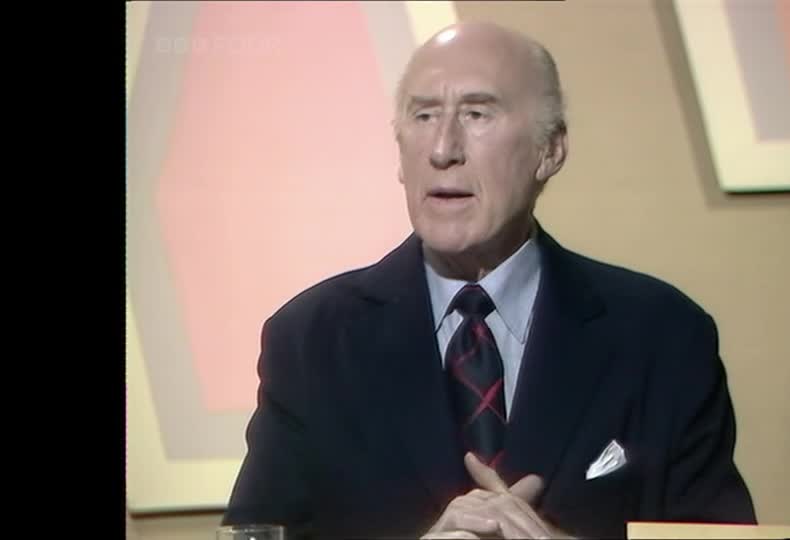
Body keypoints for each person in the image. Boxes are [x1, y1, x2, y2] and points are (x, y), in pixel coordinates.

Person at [222, 21, 756, 539]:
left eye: (477, 114)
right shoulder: (312, 340)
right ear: (400, 151)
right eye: (424, 116)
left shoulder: (663, 337)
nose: (442, 149)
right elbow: (255, 537)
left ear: (551, 150)